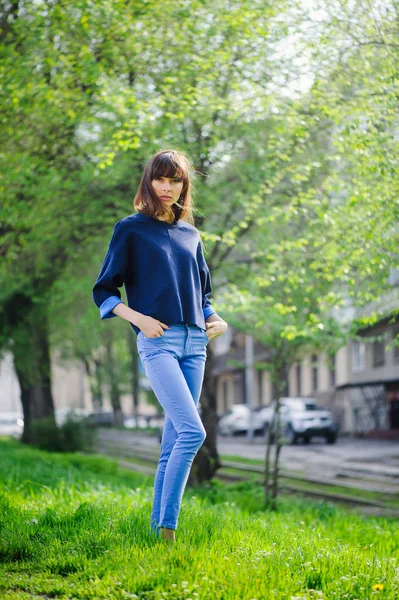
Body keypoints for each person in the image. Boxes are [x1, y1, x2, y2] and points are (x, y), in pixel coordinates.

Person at [92, 149, 228, 544]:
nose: (167, 188)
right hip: (159, 343)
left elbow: (202, 294)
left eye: (176, 180)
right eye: (160, 179)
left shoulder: (191, 234)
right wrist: (140, 320)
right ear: (148, 182)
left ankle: (157, 537)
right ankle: (169, 532)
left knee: (173, 443)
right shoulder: (130, 230)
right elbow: (103, 290)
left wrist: (215, 320)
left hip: (195, 344)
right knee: (192, 432)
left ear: (185, 185)